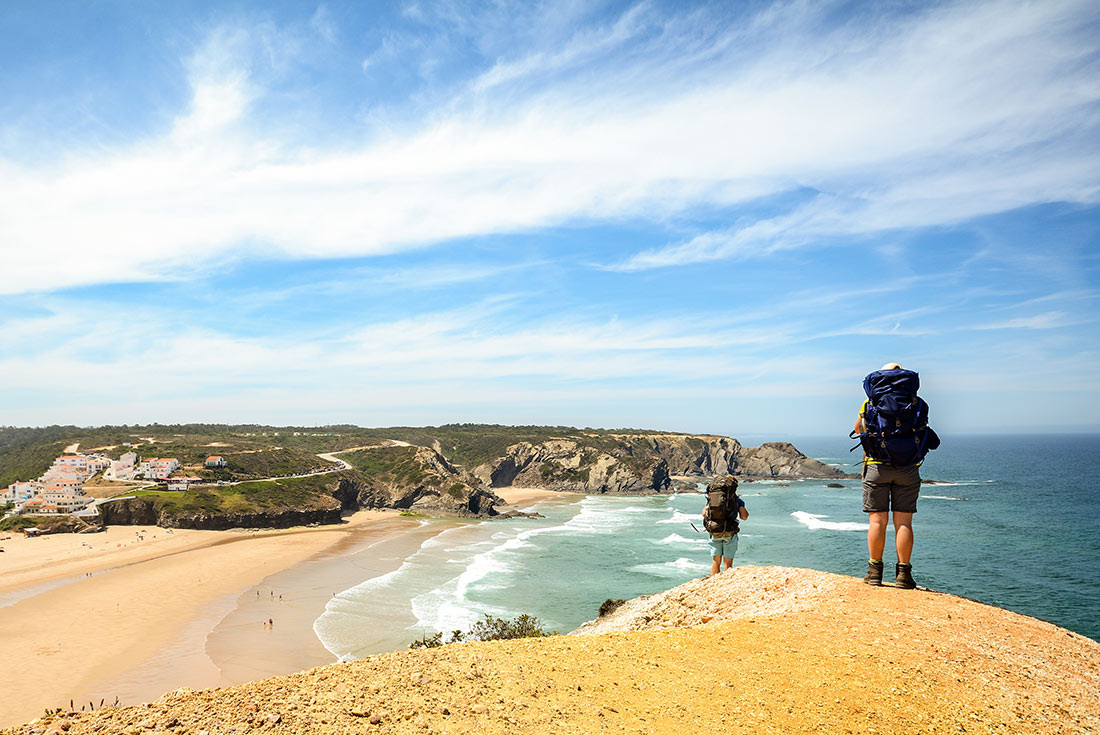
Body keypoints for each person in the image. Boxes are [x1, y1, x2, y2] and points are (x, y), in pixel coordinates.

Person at [853, 362, 939, 589]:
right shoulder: (917, 403)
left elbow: (859, 428)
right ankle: (903, 575)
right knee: (904, 523)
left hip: (876, 467)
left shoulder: (870, 403)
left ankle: (874, 573)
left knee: (877, 521)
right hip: (908, 469)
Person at [702, 475, 749, 575]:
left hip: (715, 530)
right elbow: (744, 517)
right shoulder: (737, 500)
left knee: (716, 561)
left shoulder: (714, 498)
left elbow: (703, 513)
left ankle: (714, 583)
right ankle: (725, 584)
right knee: (728, 563)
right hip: (730, 532)